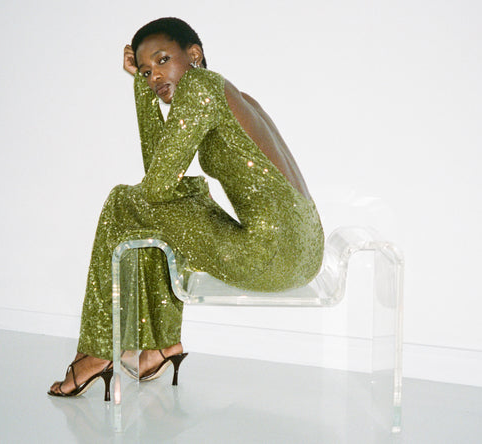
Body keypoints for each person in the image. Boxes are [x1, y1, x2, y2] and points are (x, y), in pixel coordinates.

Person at [48, 17, 323, 398]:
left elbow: (157, 184)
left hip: (270, 254)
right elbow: (160, 175)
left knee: (123, 202)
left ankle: (97, 351)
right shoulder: (231, 94)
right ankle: (159, 348)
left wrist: (141, 91)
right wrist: (141, 89)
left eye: (162, 60)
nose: (154, 77)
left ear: (193, 55)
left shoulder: (198, 87)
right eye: (146, 72)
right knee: (159, 207)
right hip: (304, 251)